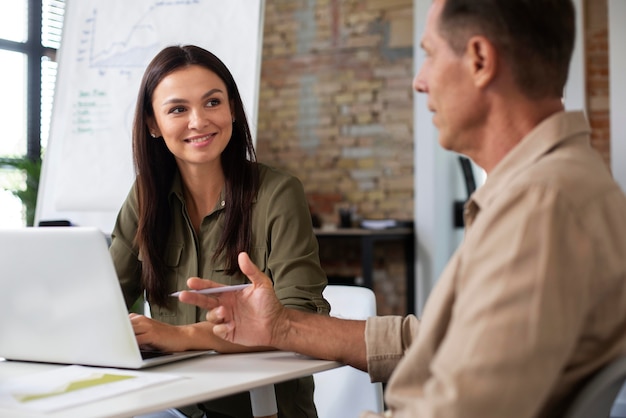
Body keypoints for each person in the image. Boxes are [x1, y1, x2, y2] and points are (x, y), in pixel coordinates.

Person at [179, 0, 626, 417]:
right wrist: (282, 328)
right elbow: (439, 343)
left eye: (430, 55)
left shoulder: (542, 208)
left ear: (479, 60)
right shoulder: (550, 189)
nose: (420, 80)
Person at [109, 45, 330, 418]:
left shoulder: (278, 194)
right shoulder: (145, 198)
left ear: (231, 109)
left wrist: (180, 337)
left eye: (212, 103)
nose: (199, 121)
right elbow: (104, 299)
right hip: (169, 405)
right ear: (153, 124)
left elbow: (301, 322)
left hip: (261, 409)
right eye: (178, 109)